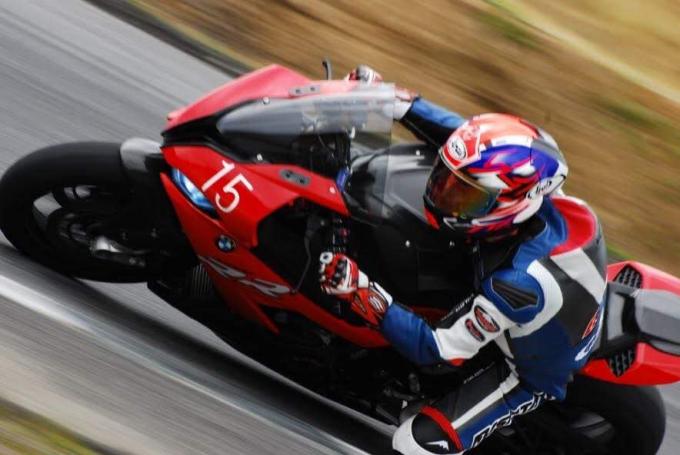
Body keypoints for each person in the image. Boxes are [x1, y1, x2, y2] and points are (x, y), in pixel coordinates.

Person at [318, 66, 607, 454]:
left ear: (510, 205)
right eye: (447, 181)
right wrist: (395, 102)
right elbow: (463, 144)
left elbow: (438, 350)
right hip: (554, 296)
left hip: (524, 370)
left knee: (412, 443)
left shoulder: (516, 284)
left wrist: (359, 290)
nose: (445, 195)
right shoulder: (530, 181)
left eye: (466, 197)